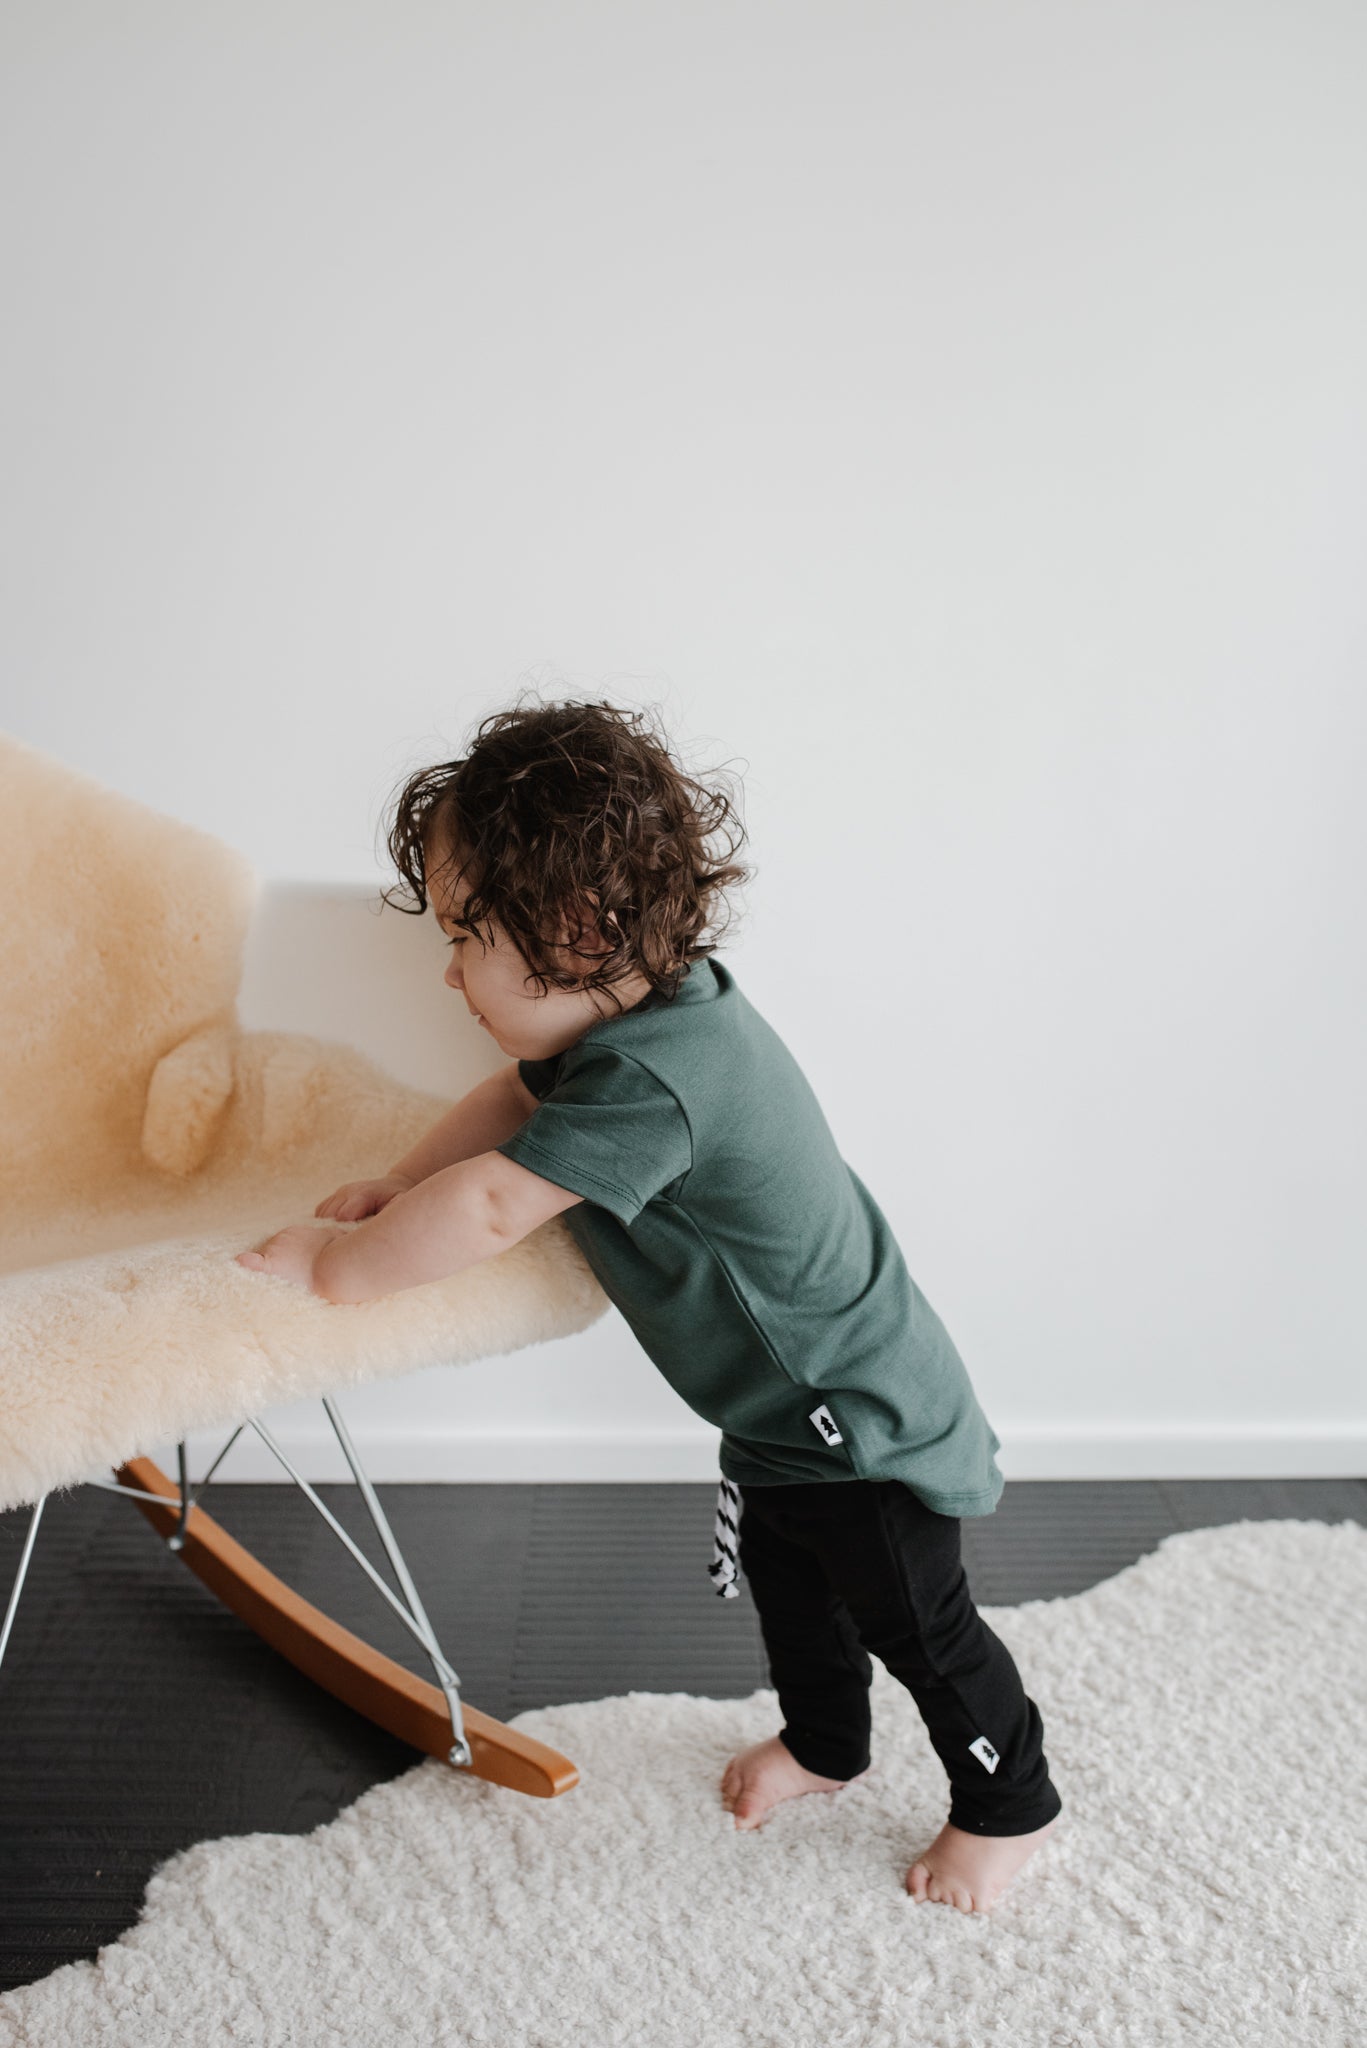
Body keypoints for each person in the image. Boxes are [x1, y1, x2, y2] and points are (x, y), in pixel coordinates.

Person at [236, 697, 1064, 1915]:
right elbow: (505, 1119)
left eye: (466, 930)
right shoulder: (617, 1031)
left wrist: (328, 1267)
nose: (448, 964)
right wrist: (399, 1183)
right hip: (781, 1418)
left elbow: (491, 1211)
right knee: (795, 1596)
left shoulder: (667, 1075)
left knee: (916, 1625)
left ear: (572, 928)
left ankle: (1010, 1804)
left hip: (857, 1418)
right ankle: (828, 1742)